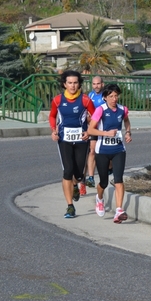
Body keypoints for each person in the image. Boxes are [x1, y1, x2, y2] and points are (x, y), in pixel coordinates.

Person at [49, 70, 95, 218]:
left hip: (81, 139)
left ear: (79, 84)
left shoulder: (85, 100)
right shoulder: (57, 100)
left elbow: (95, 117)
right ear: (64, 84)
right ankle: (70, 206)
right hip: (64, 140)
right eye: (70, 83)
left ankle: (76, 184)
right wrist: (53, 130)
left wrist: (89, 131)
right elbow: (52, 116)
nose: (73, 86)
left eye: (75, 83)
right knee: (67, 171)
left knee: (79, 174)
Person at [87, 83, 132, 223]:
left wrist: (128, 132)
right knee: (104, 182)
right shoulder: (101, 110)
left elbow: (126, 121)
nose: (114, 99)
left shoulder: (122, 109)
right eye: (111, 96)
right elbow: (90, 130)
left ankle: (119, 210)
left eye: (116, 96)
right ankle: (99, 198)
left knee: (118, 179)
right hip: (103, 150)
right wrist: (105, 133)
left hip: (119, 149)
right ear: (105, 98)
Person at [85, 75, 105, 189]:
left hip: (104, 128)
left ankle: (110, 169)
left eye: (98, 84)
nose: (96, 86)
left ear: (102, 84)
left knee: (104, 153)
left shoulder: (106, 95)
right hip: (93, 128)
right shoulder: (90, 95)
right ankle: (91, 178)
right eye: (94, 84)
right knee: (92, 151)